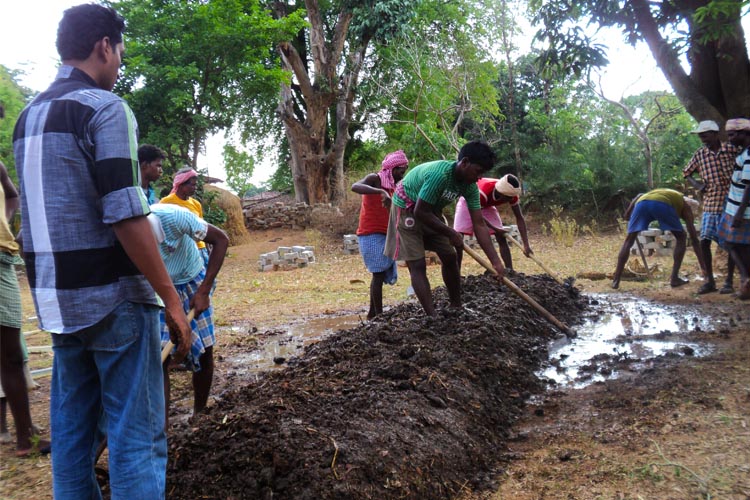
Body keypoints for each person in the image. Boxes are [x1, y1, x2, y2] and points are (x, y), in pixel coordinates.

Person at [12, 5, 191, 498]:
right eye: (120, 54)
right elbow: (126, 214)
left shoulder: (27, 118)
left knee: (72, 440)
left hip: (57, 302)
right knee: (136, 438)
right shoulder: (104, 107)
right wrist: (172, 301)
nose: (119, 65)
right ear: (104, 46)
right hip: (114, 301)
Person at [384, 140, 505, 316]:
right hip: (406, 208)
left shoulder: (470, 186)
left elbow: (479, 223)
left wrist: (495, 261)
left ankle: (456, 306)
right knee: (417, 264)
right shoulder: (439, 175)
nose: (479, 177)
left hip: (430, 209)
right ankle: (432, 315)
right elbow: (420, 212)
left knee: (449, 256)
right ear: (464, 162)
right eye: (478, 171)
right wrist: (450, 232)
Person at [148, 203, 228, 422]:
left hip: (192, 278)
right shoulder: (129, 238)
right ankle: (161, 432)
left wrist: (204, 291)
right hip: (158, 288)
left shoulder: (176, 217)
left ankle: (199, 413)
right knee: (160, 357)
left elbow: (221, 240)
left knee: (204, 350)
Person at [0, 161, 49, 457]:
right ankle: (24, 440)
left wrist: (4, 222)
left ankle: (25, 433)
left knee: (11, 356)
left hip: (3, 259)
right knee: (10, 357)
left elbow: (13, 195)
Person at [683, 120, 741, 294]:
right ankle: (709, 281)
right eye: (700, 136)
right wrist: (698, 185)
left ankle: (729, 281)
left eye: (705, 135)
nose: (702, 138)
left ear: (715, 134)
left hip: (731, 201)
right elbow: (686, 173)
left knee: (730, 242)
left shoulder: (731, 149)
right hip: (710, 202)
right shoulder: (700, 154)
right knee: (704, 241)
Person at [351, 150, 409, 319]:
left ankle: (372, 313)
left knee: (381, 273)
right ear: (392, 168)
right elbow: (355, 187)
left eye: (404, 171)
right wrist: (380, 192)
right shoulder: (374, 179)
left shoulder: (396, 186)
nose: (402, 174)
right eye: (400, 171)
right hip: (370, 233)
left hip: (388, 233)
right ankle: (379, 316)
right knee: (377, 274)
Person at [612, 188, 706, 290]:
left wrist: (628, 212)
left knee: (629, 240)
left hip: (642, 203)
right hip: (661, 205)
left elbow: (639, 195)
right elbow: (694, 239)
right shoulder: (685, 206)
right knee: (681, 237)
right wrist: (704, 268)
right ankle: (674, 278)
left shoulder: (665, 194)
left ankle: (615, 281)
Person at [453, 174, 532, 271]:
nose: (510, 200)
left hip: (487, 205)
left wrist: (526, 245)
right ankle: (456, 274)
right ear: (500, 192)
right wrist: (495, 228)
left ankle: (509, 270)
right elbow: (479, 218)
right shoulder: (482, 192)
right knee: (457, 238)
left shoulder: (511, 195)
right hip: (467, 202)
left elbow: (519, 218)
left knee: (501, 236)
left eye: (512, 197)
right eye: (508, 198)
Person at [718, 118, 750, 299]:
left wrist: (739, 212)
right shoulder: (743, 152)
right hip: (736, 207)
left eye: (732, 135)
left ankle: (745, 278)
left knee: (729, 242)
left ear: (744, 133)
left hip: (741, 210)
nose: (729, 138)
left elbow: (749, 185)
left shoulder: (749, 154)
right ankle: (746, 284)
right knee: (742, 246)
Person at [160, 167, 209, 263]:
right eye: (192, 185)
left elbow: (203, 228)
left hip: (200, 248)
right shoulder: (166, 202)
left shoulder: (196, 204)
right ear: (181, 185)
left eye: (196, 185)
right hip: (181, 251)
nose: (195, 188)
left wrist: (207, 248)